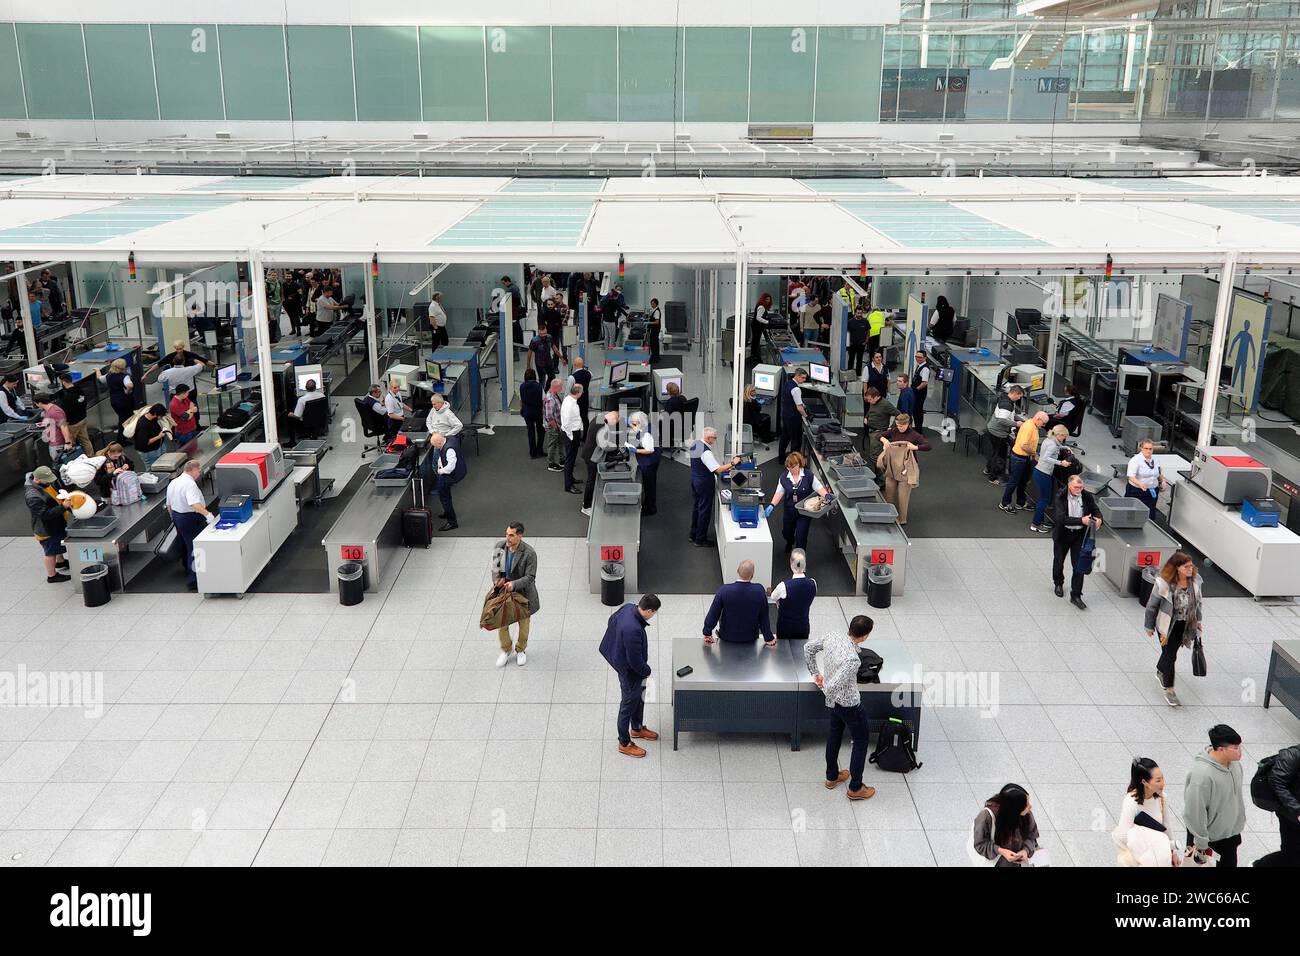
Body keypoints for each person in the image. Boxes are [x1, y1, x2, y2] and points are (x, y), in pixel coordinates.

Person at [800, 613, 877, 801]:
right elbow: (834, 685)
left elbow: (808, 647)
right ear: (865, 636)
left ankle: (832, 776)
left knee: (834, 735)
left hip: (834, 704)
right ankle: (856, 788)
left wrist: (816, 673)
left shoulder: (833, 635)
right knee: (860, 742)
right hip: (849, 704)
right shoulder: (853, 660)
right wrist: (827, 691)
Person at [599, 593, 662, 759]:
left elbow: (611, 621)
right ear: (648, 610)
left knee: (638, 698)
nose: (653, 616)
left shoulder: (628, 607)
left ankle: (637, 728)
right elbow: (635, 661)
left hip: (624, 665)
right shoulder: (633, 629)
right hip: (630, 672)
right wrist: (647, 671)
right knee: (628, 703)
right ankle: (624, 743)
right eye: (654, 613)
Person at [1183, 724, 1246, 868]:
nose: (1240, 752)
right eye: (1235, 748)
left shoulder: (1235, 766)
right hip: (1209, 839)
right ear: (1221, 749)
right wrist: (1201, 843)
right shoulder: (1202, 776)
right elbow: (1194, 812)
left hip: (1230, 835)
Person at [1144, 551, 1202, 707]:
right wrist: (1149, 626)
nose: (1190, 569)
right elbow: (1151, 606)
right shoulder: (1163, 583)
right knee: (1170, 656)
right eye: (1186, 566)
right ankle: (1170, 690)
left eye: (1191, 566)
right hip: (1166, 625)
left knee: (1170, 653)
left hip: (1185, 626)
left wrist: (1198, 621)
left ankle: (1160, 670)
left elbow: (1198, 604)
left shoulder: (1194, 583)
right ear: (1177, 568)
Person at [1113, 758, 1180, 867]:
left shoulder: (1162, 798)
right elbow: (1123, 836)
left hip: (1159, 855)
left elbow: (1167, 826)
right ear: (1144, 782)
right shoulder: (1131, 801)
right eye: (1158, 780)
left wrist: (1173, 852)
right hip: (1140, 858)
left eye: (1162, 778)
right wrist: (1147, 844)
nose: (1163, 783)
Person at [492, 522, 539, 667]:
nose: (507, 538)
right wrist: (497, 581)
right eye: (507, 534)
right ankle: (506, 649)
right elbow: (495, 569)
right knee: (502, 623)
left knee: (523, 625)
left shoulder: (529, 553)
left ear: (520, 535)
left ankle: (521, 650)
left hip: (523, 595)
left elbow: (530, 577)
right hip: (504, 593)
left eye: (511, 535)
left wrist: (514, 584)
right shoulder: (499, 547)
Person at [1051, 474, 1101, 609]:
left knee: (1078, 565)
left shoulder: (1086, 496)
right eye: (1076, 487)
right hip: (1063, 534)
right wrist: (1082, 520)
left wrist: (1098, 518)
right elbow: (1061, 518)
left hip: (1079, 535)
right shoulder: (1060, 497)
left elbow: (1096, 509)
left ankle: (1076, 595)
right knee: (1059, 560)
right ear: (1069, 485)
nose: (1079, 489)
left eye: (1081, 487)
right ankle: (1058, 582)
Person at [767, 451, 830, 553]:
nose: (790, 470)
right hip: (790, 510)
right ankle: (789, 541)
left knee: (801, 537)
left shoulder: (808, 475)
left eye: (792, 467)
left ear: (798, 464)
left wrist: (826, 495)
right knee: (787, 533)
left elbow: (818, 488)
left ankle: (800, 560)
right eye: (788, 467)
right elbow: (779, 492)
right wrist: (772, 505)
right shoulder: (784, 477)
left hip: (804, 511)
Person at [689, 426, 740, 547]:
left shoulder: (695, 444)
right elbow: (718, 470)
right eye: (714, 438)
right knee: (704, 510)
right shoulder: (706, 452)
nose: (715, 440)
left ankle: (693, 534)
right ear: (708, 437)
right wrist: (732, 463)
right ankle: (700, 539)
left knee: (697, 507)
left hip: (695, 480)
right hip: (704, 483)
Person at [167, 458, 213, 591]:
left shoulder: (174, 482)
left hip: (177, 516)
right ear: (192, 470)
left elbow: (169, 504)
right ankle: (195, 580)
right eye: (198, 470)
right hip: (189, 518)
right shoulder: (190, 485)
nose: (199, 472)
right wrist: (207, 514)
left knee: (186, 545)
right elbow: (194, 504)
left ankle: (188, 570)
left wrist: (174, 518)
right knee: (196, 548)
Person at [703, 560, 775, 646]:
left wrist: (707, 632)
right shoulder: (759, 591)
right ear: (752, 575)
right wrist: (768, 638)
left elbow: (713, 614)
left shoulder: (724, 590)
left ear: (737, 571)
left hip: (727, 637)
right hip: (750, 638)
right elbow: (763, 617)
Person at [878, 413, 930, 525]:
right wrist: (884, 440)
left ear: (907, 424)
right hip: (892, 467)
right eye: (897, 425)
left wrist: (915, 447)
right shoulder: (894, 431)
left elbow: (928, 446)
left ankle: (902, 519)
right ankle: (889, 515)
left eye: (901, 425)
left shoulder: (914, 435)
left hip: (906, 469)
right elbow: (879, 435)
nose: (899, 428)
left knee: (903, 497)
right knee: (889, 494)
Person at [973, 784, 1041, 867]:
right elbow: (980, 844)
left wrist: (1025, 850)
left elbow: (1032, 836)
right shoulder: (987, 817)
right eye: (1025, 804)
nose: (1030, 807)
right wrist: (1001, 851)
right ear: (1014, 808)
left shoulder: (1026, 814)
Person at [25, 466, 70, 583]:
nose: (50, 481)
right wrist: (63, 507)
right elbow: (45, 514)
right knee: (50, 551)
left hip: (55, 523)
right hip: (46, 528)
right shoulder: (33, 496)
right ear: (38, 479)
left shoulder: (43, 484)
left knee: (57, 542)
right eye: (47, 479)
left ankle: (60, 562)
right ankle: (52, 575)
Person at [1000, 411, 1047, 513]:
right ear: (1038, 419)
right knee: (1013, 482)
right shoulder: (1029, 427)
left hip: (1024, 458)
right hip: (1019, 458)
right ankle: (1004, 503)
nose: (1043, 425)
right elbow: (1023, 445)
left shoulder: (1033, 425)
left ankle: (1020, 502)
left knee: (1023, 481)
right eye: (1043, 423)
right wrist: (1033, 452)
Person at [1261, 744, 1300, 866]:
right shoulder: (1293, 754)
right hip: (1291, 815)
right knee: (1291, 855)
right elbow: (1276, 781)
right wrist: (1297, 810)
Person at [1029, 424, 1073, 533]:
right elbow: (1046, 457)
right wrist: (1061, 463)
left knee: (1043, 498)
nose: (1064, 438)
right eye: (1064, 436)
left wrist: (1065, 447)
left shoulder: (1049, 440)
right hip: (1043, 474)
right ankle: (1036, 524)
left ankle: (1040, 520)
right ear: (1059, 435)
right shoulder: (1053, 445)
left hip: (1039, 471)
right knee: (1044, 500)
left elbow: (1055, 447)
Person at [769, 549, 816, 641]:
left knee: (783, 652)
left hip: (785, 626)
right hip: (803, 625)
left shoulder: (783, 586)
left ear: (791, 564)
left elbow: (773, 597)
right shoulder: (813, 583)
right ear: (804, 565)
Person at [580, 410, 620, 517]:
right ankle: (586, 506)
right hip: (592, 457)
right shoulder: (602, 426)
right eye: (615, 424)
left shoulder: (599, 417)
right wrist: (617, 446)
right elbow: (605, 446)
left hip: (588, 451)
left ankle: (590, 502)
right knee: (591, 480)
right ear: (612, 420)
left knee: (592, 479)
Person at [984, 384, 1024, 484]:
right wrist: (1016, 424)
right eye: (1020, 396)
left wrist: (1019, 420)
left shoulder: (1005, 399)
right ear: (1015, 393)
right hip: (998, 433)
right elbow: (1001, 420)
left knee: (995, 453)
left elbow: (1009, 416)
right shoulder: (1007, 405)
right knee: (999, 456)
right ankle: (994, 478)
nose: (1020, 398)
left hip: (992, 429)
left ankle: (988, 469)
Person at [429, 431, 466, 532]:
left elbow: (450, 467)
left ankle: (452, 522)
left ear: (439, 443)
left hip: (448, 475)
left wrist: (441, 471)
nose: (435, 448)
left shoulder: (449, 449)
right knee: (446, 495)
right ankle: (447, 512)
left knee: (444, 497)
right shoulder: (449, 439)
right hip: (454, 472)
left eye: (435, 446)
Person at [626, 410, 659, 516]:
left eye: (634, 424)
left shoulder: (647, 434)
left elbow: (650, 450)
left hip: (649, 461)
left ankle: (650, 508)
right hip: (653, 459)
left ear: (640, 422)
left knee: (649, 485)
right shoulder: (649, 426)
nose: (633, 426)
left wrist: (635, 450)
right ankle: (649, 504)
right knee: (650, 483)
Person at [1126, 438, 1166, 521]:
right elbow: (1131, 476)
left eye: (1150, 449)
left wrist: (1163, 481)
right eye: (1146, 448)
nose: (1148, 451)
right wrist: (1140, 484)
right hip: (1137, 491)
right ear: (1141, 448)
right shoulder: (1135, 460)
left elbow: (1159, 473)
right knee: (1134, 513)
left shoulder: (1156, 460)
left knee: (1150, 512)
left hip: (1152, 490)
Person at [55, 374, 94, 459]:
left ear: (63, 382)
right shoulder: (79, 390)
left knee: (71, 444)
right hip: (82, 419)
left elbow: (66, 412)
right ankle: (91, 457)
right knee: (85, 440)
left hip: (72, 424)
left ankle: (73, 462)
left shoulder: (67, 397)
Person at [777, 367, 809, 463]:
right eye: (803, 378)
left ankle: (781, 459)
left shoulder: (787, 383)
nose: (804, 380)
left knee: (785, 438)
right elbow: (799, 408)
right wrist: (807, 416)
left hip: (786, 415)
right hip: (793, 418)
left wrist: (802, 404)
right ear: (797, 376)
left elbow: (791, 400)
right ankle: (794, 462)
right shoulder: (796, 389)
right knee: (796, 441)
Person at [96, 358, 135, 433]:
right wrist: (127, 391)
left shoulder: (108, 375)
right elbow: (130, 386)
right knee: (125, 419)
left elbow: (100, 379)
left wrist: (97, 370)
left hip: (114, 401)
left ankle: (128, 431)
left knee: (123, 417)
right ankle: (122, 438)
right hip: (124, 401)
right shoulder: (124, 377)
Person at [560, 383, 585, 495]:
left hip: (573, 433)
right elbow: (566, 423)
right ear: (578, 393)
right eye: (582, 391)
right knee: (570, 459)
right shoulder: (570, 404)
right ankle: (568, 485)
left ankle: (570, 478)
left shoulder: (569, 400)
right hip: (571, 434)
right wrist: (571, 437)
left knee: (572, 457)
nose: (582, 393)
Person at [862, 386, 898, 458]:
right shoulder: (873, 401)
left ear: (876, 397)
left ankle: (880, 469)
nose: (869, 401)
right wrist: (866, 417)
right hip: (871, 431)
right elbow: (870, 410)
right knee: (873, 454)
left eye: (870, 399)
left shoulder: (885, 404)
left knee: (875, 456)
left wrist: (891, 427)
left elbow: (898, 414)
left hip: (879, 433)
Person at [34, 393, 70, 464]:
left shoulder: (54, 412)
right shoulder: (48, 410)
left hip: (58, 444)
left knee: (60, 465)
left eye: (36, 404)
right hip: (54, 443)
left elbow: (64, 427)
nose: (36, 406)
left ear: (40, 403)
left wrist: (68, 442)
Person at [519, 368, 544, 459]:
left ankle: (532, 452)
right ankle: (539, 450)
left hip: (527, 412)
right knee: (540, 430)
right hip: (537, 411)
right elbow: (543, 400)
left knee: (531, 431)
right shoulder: (539, 386)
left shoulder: (522, 386)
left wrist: (522, 409)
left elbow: (521, 400)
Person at [526, 324, 560, 391]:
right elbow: (529, 353)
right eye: (541, 334)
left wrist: (561, 357)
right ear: (538, 332)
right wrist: (528, 365)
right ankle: (541, 395)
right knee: (542, 381)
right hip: (540, 364)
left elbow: (554, 348)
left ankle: (546, 391)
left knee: (552, 377)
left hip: (549, 363)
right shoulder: (534, 341)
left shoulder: (549, 337)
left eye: (544, 333)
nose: (543, 335)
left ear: (546, 331)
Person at [542, 378, 564, 473]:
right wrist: (556, 427)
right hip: (554, 426)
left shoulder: (554, 395)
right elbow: (549, 417)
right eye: (561, 387)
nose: (562, 388)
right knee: (553, 443)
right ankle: (551, 463)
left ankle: (562, 460)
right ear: (556, 387)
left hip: (558, 424)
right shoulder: (550, 399)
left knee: (559, 442)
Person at [910, 350, 932, 433]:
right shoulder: (920, 365)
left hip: (919, 393)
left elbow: (925, 383)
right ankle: (917, 428)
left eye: (920, 357)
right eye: (916, 357)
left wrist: (916, 389)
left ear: (925, 358)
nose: (918, 359)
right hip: (916, 392)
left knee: (918, 411)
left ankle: (919, 430)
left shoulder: (925, 369)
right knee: (915, 411)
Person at [566, 355, 592, 426]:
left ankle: (576, 435)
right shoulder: (589, 373)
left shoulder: (572, 377)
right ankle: (586, 435)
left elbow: (567, 393)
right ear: (583, 365)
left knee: (575, 419)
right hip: (585, 399)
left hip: (575, 401)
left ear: (574, 365)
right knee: (585, 418)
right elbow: (590, 375)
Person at [749, 292, 774, 365]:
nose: (768, 301)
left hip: (756, 325)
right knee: (755, 341)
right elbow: (758, 318)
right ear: (764, 299)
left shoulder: (760, 305)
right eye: (767, 299)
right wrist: (767, 322)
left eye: (769, 299)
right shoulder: (762, 307)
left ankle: (754, 355)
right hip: (757, 326)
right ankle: (755, 356)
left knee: (755, 340)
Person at [845, 309, 869, 377]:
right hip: (852, 344)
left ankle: (858, 375)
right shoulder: (850, 322)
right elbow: (847, 332)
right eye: (858, 313)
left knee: (859, 360)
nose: (859, 315)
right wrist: (848, 342)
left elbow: (868, 332)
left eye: (861, 313)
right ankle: (850, 374)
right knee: (851, 359)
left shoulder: (865, 321)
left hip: (861, 344)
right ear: (855, 313)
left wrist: (866, 341)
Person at [646, 297, 662, 363]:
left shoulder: (657, 311)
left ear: (656, 304)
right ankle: (656, 356)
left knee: (654, 343)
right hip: (654, 329)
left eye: (653, 304)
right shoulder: (654, 310)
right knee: (654, 343)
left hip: (655, 329)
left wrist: (648, 322)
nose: (652, 305)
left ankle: (655, 358)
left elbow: (657, 322)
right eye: (651, 304)